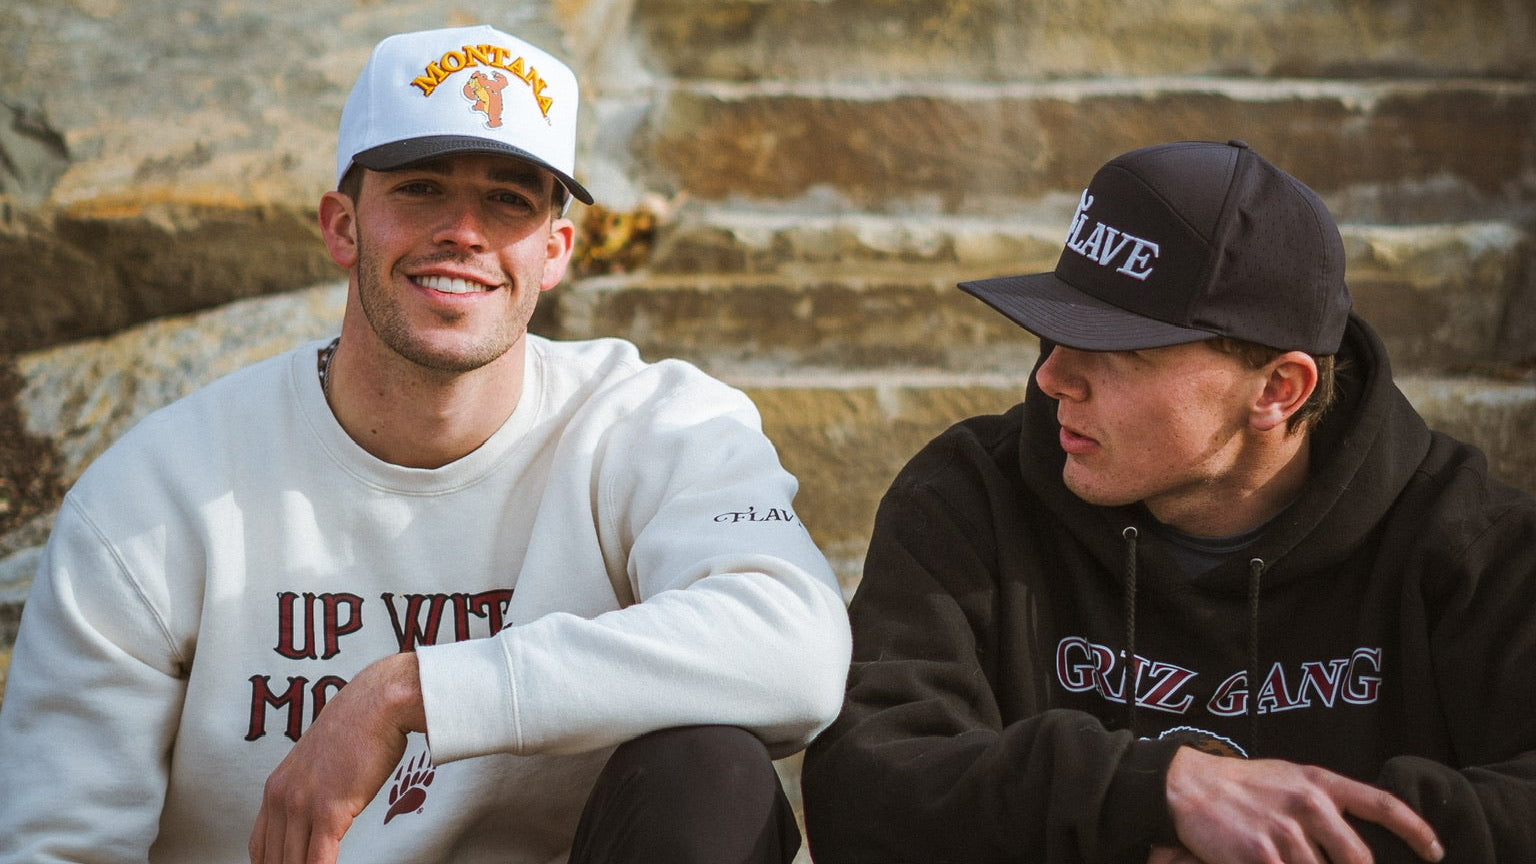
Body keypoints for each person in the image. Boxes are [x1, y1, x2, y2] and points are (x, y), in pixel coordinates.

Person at [0, 25, 850, 864]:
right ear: (342, 226)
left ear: (554, 253)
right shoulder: (158, 498)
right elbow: (59, 843)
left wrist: (415, 694)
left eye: (511, 200)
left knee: (710, 772)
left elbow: (799, 651)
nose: (464, 232)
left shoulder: (651, 423)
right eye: (421, 189)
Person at [800, 140, 1536, 864]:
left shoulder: (1469, 542)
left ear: (1279, 389)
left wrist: (1280, 837)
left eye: (1119, 352)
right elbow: (862, 786)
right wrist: (1157, 795)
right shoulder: (971, 498)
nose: (1054, 376)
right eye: (1056, 330)